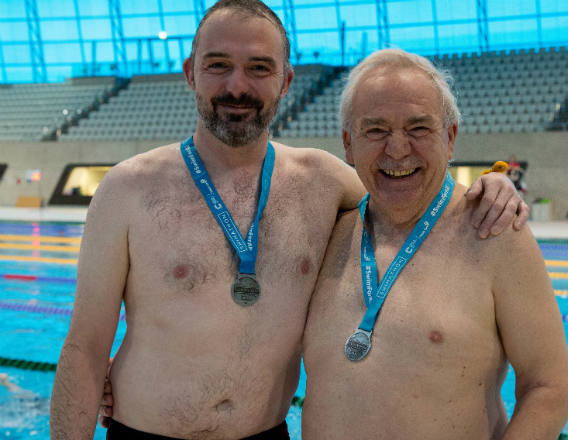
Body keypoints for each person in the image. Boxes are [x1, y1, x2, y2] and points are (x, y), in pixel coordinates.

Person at [50, 1, 527, 439]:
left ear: (286, 81)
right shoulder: (127, 190)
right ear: (190, 73)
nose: (238, 86)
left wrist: (492, 184)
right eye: (218, 65)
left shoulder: (323, 182)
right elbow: (84, 350)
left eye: (259, 68)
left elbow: (413, 192)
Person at [300, 49, 568, 439]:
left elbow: (549, 387)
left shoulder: (493, 232)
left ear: (450, 138)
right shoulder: (325, 233)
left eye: (418, 129)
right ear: (348, 143)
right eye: (375, 130)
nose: (397, 149)